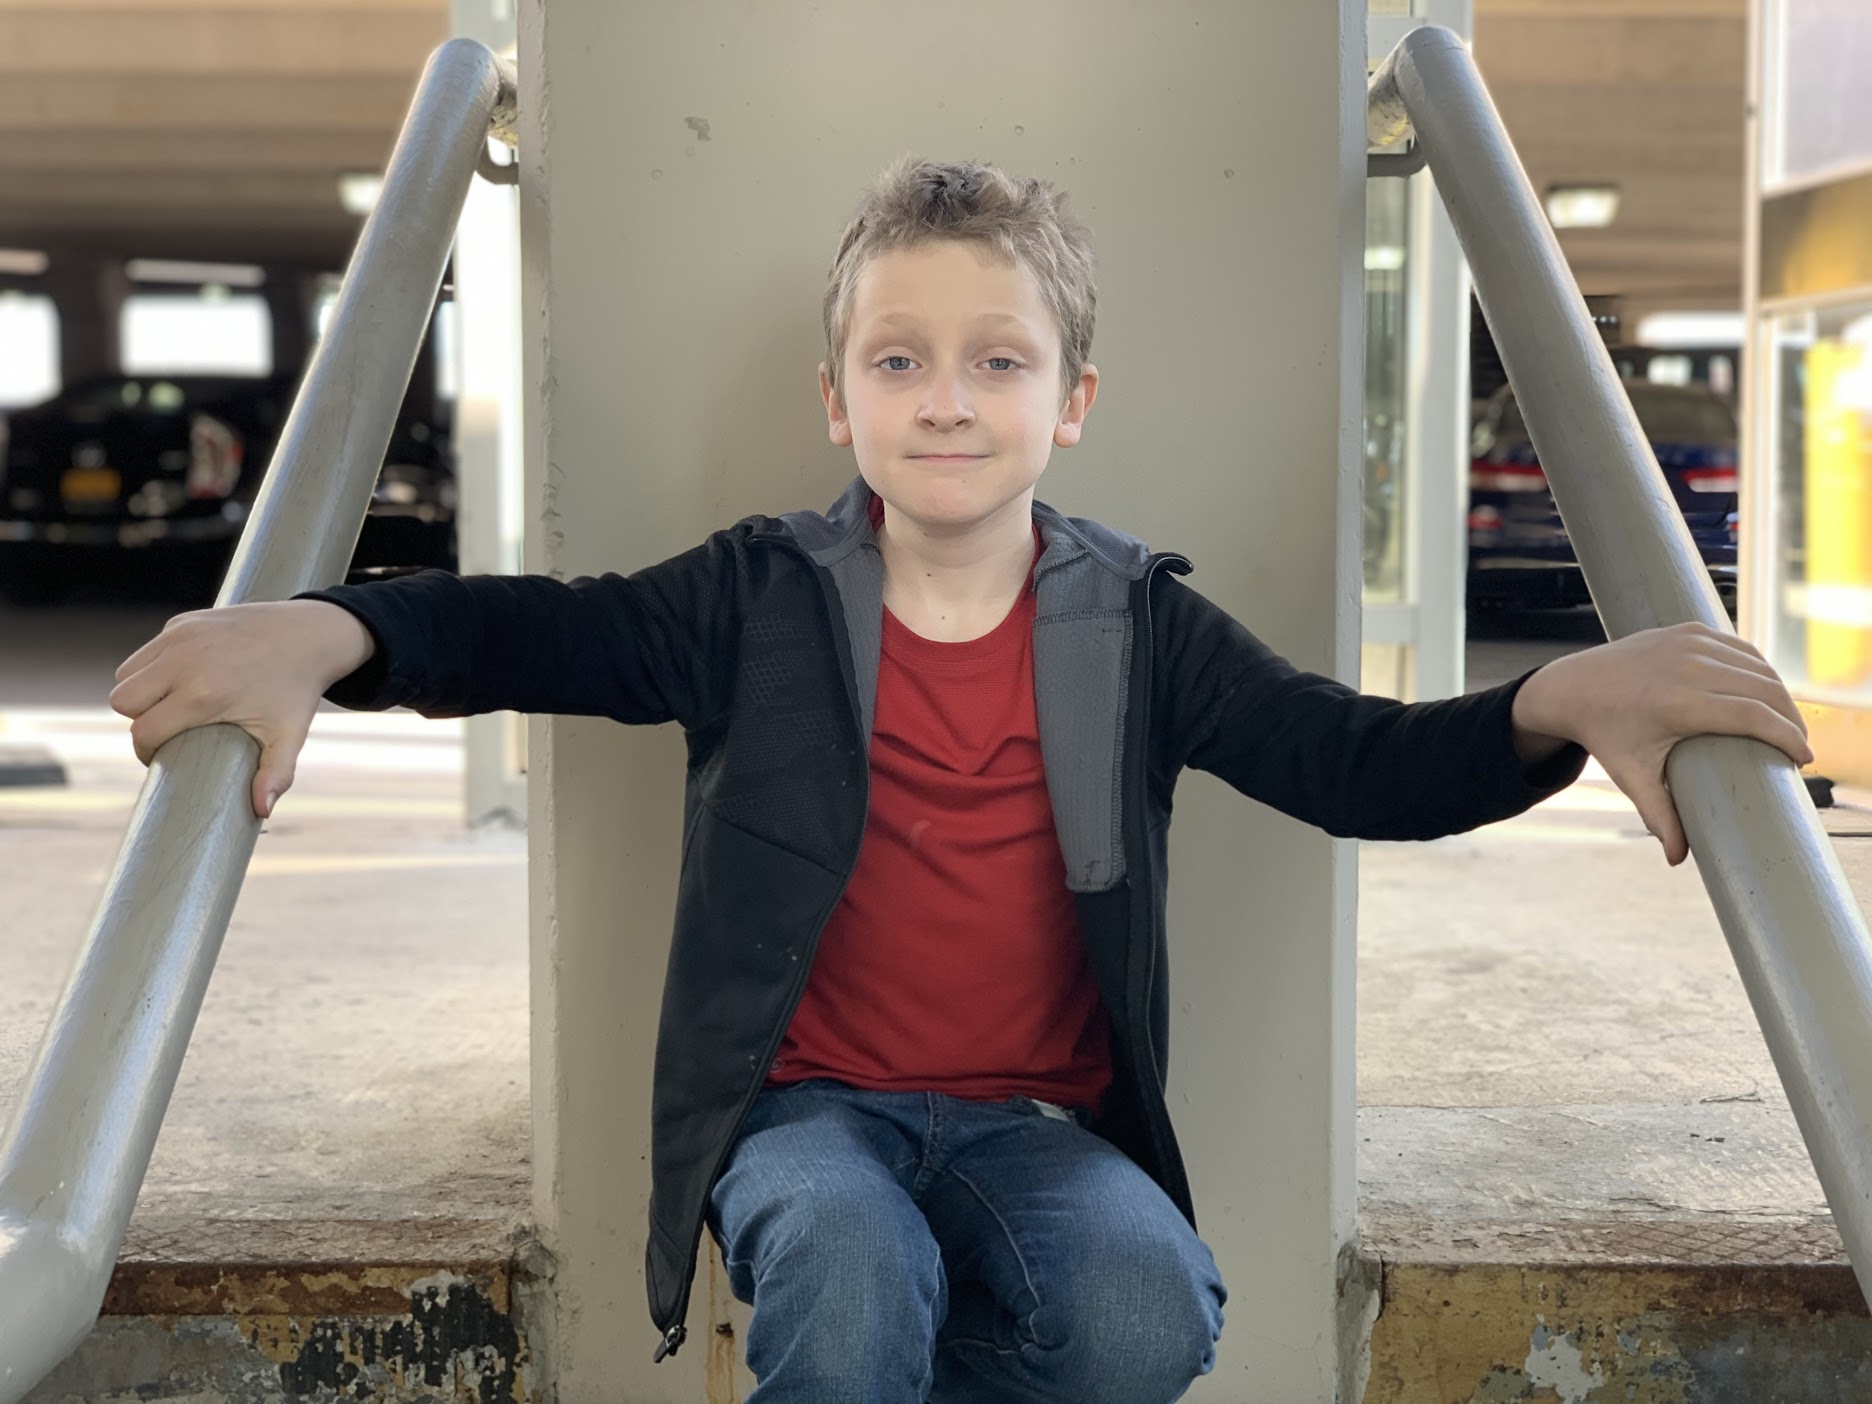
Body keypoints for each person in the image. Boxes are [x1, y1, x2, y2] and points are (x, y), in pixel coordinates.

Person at [110, 157, 1811, 1404]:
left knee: (1147, 1312)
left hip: (1036, 1123)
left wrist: (1570, 696)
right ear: (836, 396)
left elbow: (1350, 761)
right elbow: (538, 633)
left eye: (996, 361)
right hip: (805, 1112)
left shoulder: (1138, 624)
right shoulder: (756, 600)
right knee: (849, 1278)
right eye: (898, 360)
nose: (945, 400)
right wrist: (328, 635)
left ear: (1069, 403)